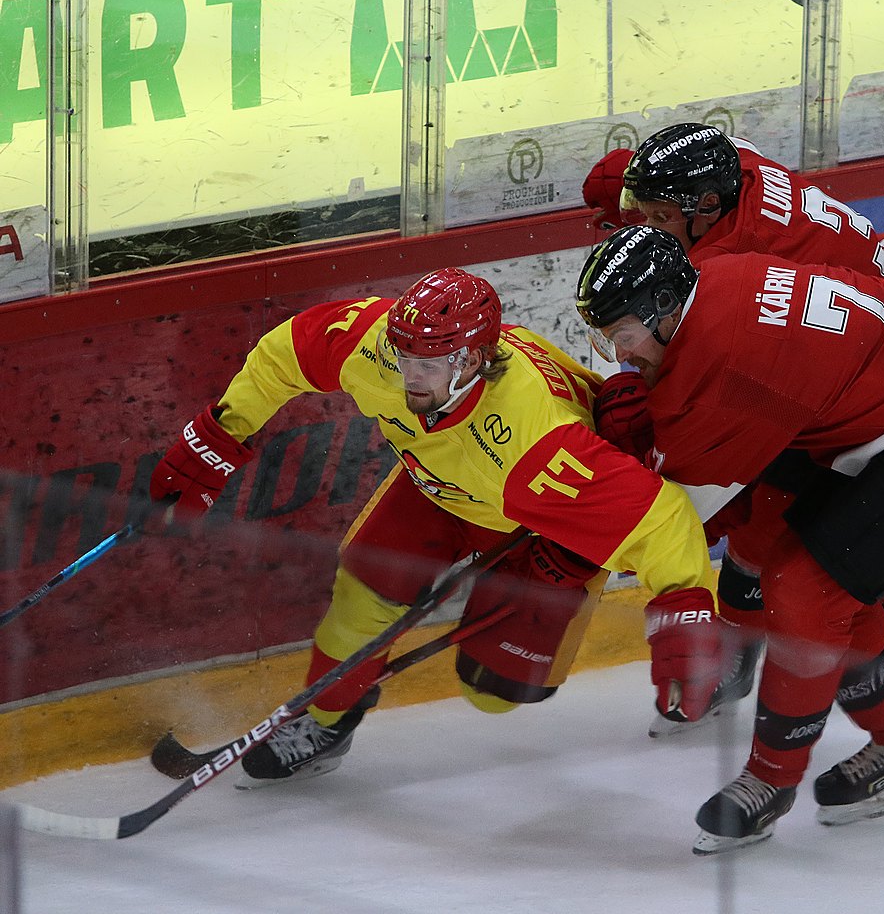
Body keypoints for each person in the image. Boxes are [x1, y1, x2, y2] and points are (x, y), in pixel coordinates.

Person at [149, 267, 724, 789]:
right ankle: (326, 723)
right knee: (362, 592)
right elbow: (285, 354)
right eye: (404, 359)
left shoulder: (537, 444)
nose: (408, 378)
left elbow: (662, 519)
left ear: (474, 360)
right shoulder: (381, 346)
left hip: (531, 523)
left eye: (428, 366)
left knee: (494, 692)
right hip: (435, 487)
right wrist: (218, 438)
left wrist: (688, 612)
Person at [575, 226, 884, 854]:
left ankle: (785, 775)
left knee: (806, 589)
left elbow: (684, 508)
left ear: (663, 312)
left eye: (622, 337)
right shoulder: (716, 277)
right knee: (792, 543)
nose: (617, 355)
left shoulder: (719, 362)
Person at [586, 125, 884, 797]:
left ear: (705, 207)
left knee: (853, 549)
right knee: (763, 528)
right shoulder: (728, 170)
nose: (648, 229)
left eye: (660, 219)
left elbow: (699, 466)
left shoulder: (728, 263)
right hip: (865, 325)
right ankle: (737, 668)